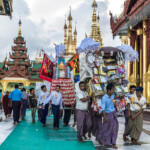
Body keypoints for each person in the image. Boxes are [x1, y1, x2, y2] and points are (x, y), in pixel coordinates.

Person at [97, 83, 118, 149]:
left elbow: (113, 102)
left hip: (113, 113)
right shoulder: (104, 98)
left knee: (114, 128)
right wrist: (105, 117)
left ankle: (113, 143)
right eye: (112, 90)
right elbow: (102, 108)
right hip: (107, 114)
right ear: (108, 90)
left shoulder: (112, 96)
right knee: (105, 128)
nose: (113, 91)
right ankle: (100, 138)